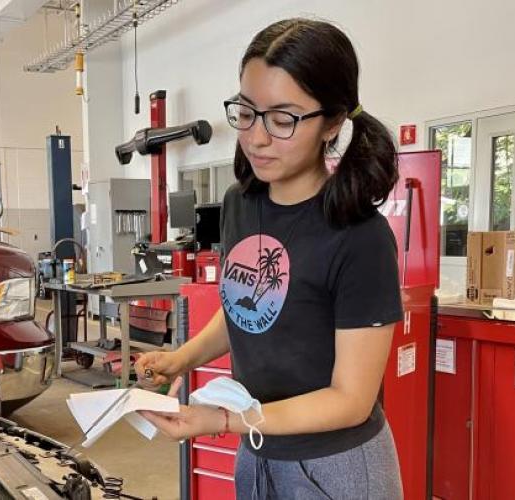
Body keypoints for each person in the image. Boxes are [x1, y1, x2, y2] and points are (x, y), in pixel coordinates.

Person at [136, 18, 403, 499]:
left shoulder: (360, 237)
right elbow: (246, 305)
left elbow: (351, 400)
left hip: (337, 465)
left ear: (334, 123)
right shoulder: (242, 203)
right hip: (259, 449)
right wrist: (182, 358)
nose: (256, 137)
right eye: (246, 111)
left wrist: (224, 419)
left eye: (282, 119)